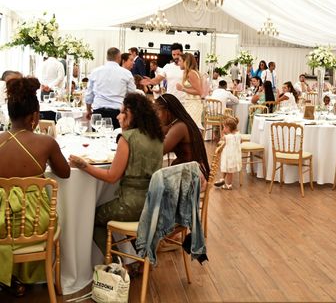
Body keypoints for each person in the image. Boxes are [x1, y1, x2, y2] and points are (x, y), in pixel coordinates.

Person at [0, 77, 70, 296]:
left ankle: (10, 277)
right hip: (32, 223)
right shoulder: (46, 142)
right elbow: (65, 173)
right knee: (52, 218)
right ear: (35, 116)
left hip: (1, 223)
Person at [69, 93, 164, 254]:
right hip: (154, 202)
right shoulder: (157, 136)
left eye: (121, 112)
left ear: (132, 114)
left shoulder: (127, 138)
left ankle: (115, 264)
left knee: (92, 218)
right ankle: (138, 259)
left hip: (131, 205)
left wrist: (83, 165)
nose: (118, 117)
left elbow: (112, 177)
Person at [155, 93, 210, 178]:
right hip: (191, 170)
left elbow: (159, 151)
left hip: (192, 176)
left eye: (157, 111)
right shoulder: (179, 123)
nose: (157, 116)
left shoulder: (180, 127)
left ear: (167, 111)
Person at [85, 47, 136, 129]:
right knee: (115, 139)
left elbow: (89, 95)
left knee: (96, 140)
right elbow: (132, 96)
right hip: (117, 114)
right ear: (119, 58)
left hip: (98, 112)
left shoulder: (95, 71)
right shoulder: (126, 74)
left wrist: (88, 110)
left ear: (107, 57)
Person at [176, 53, 204, 128]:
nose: (178, 63)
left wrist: (183, 89)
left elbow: (199, 92)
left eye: (180, 61)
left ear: (186, 62)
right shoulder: (188, 73)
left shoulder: (191, 73)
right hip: (189, 102)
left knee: (192, 127)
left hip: (194, 104)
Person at [214, 116, 242, 190]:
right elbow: (240, 141)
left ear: (228, 128)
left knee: (228, 171)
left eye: (224, 128)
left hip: (228, 157)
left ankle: (229, 185)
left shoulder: (227, 137)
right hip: (234, 156)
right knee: (227, 170)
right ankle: (223, 180)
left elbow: (220, 142)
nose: (223, 129)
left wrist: (222, 134)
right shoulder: (238, 135)